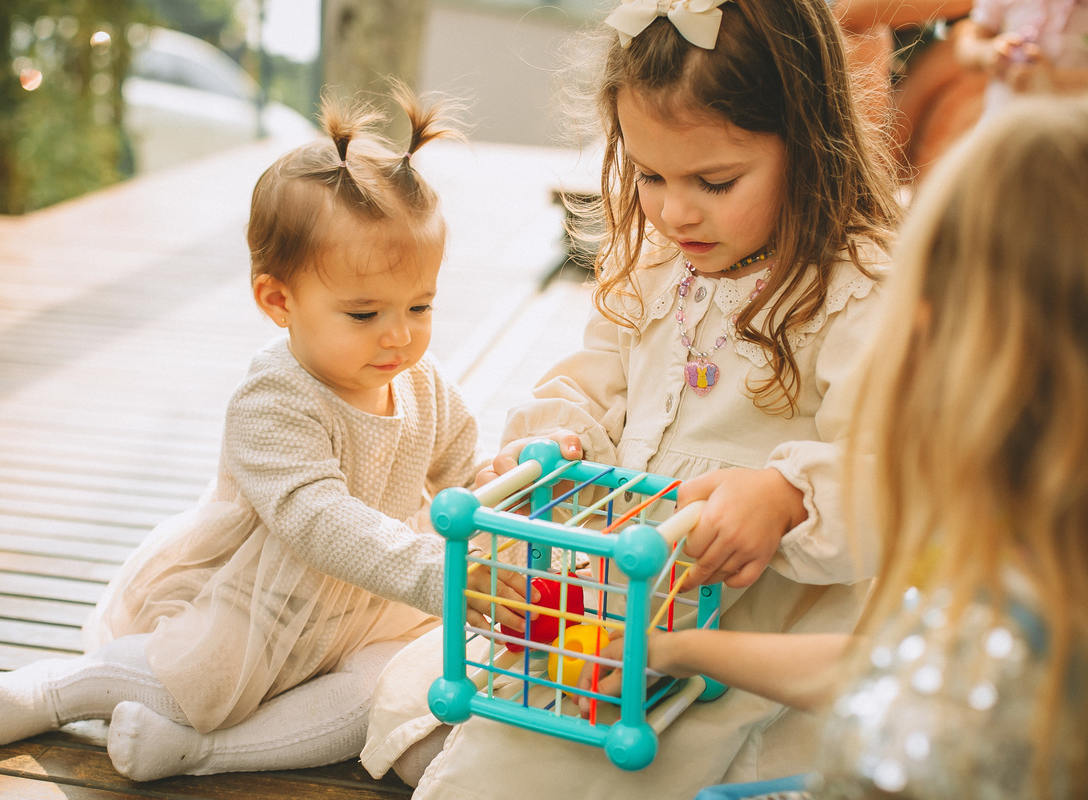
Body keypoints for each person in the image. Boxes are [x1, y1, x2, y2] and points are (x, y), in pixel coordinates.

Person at [361, 1, 901, 796]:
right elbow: (593, 375)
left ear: (809, 139)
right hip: (616, 588)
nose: (675, 209)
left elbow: (897, 471)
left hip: (745, 625)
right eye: (649, 175)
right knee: (421, 710)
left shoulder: (856, 288)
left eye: (715, 181)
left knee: (566, 763)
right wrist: (559, 442)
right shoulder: (654, 260)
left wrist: (785, 495)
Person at [0, 86, 527, 781]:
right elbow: (315, 517)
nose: (400, 334)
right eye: (364, 312)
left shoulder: (421, 380)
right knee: (193, 682)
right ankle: (56, 689)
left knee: (376, 700)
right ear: (278, 301)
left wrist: (505, 487)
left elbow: (460, 470)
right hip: (269, 598)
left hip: (374, 606)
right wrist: (430, 571)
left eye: (420, 304)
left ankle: (198, 756)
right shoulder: (273, 398)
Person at [588, 93, 1088, 800]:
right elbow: (883, 666)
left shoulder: (1035, 601)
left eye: (931, 293)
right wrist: (679, 649)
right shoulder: (1019, 538)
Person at [954, 0, 1088, 119]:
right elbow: (968, 43)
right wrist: (986, 52)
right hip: (1004, 119)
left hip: (1076, 127)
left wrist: (1056, 80)